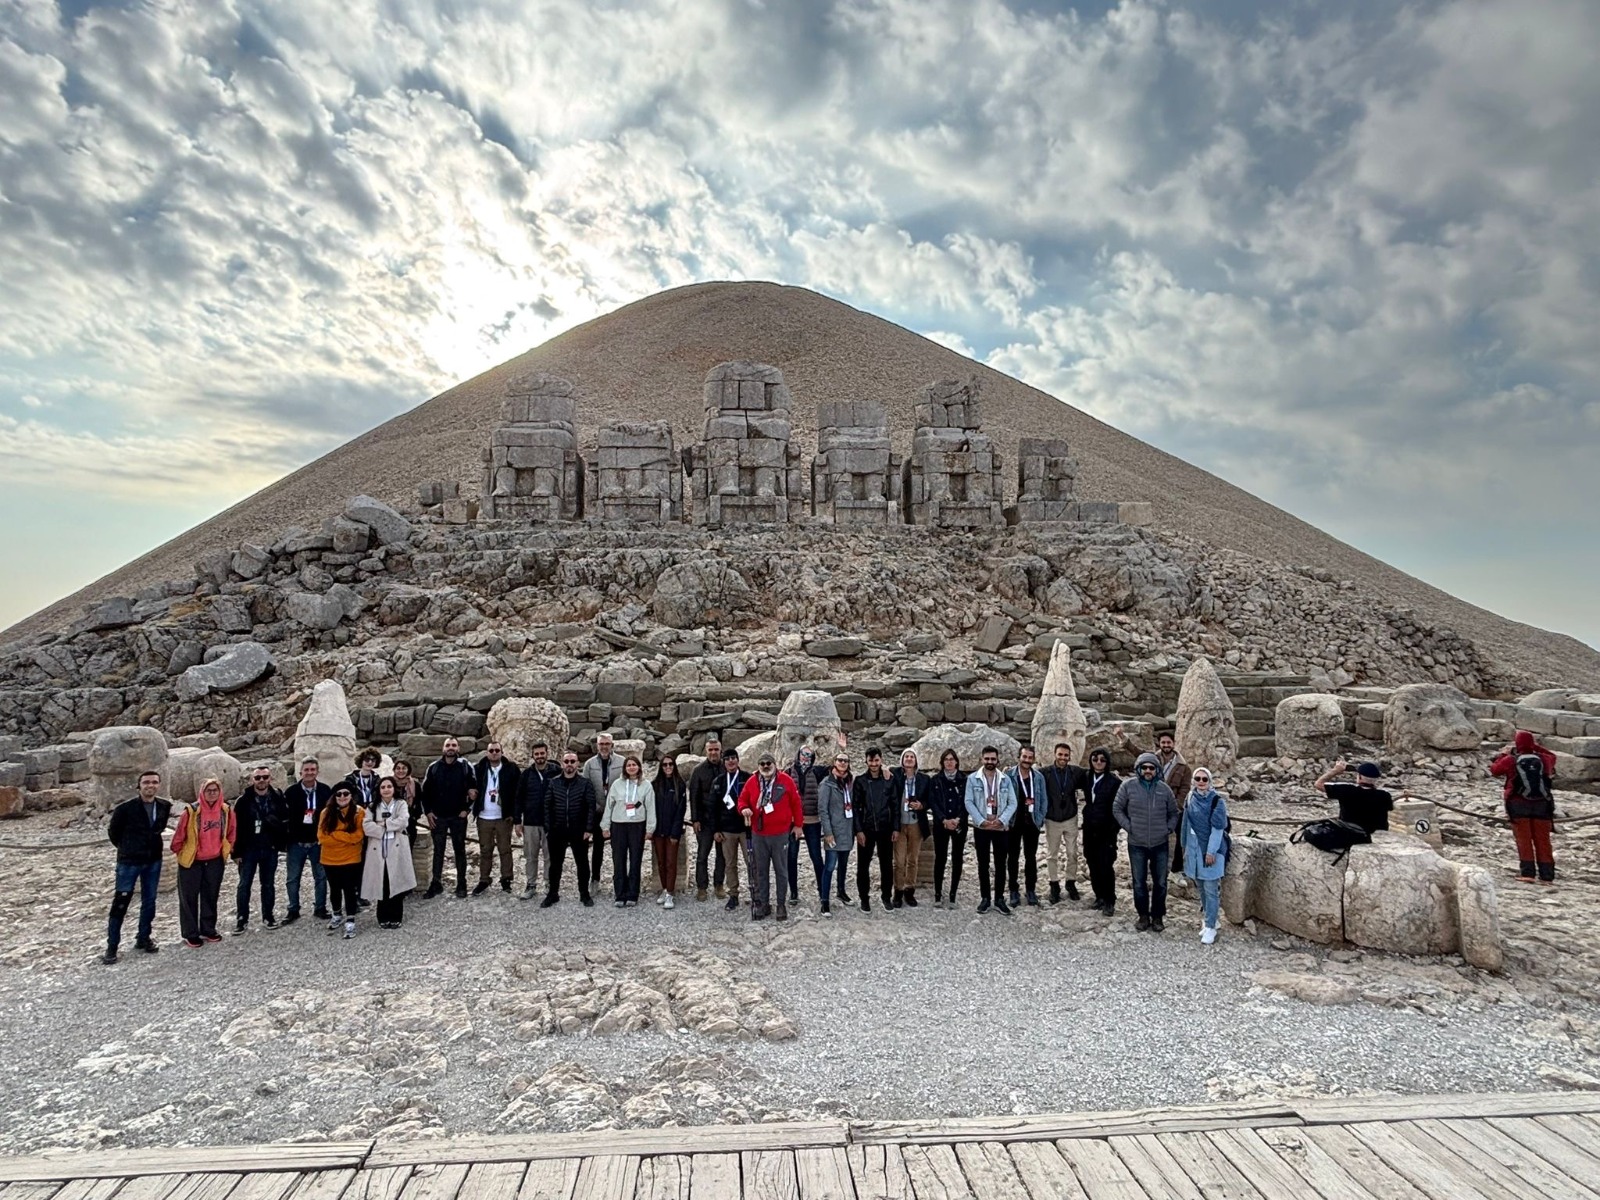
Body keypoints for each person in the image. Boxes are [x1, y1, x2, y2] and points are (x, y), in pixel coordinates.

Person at [104, 770, 171, 964]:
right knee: (121, 902)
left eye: (154, 782)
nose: (150, 785)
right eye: (146, 782)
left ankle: (143, 937)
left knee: (149, 901)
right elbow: (114, 833)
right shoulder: (125, 809)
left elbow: (158, 829)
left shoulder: (164, 806)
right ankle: (112, 945)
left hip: (153, 860)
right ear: (139, 785)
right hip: (129, 861)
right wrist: (127, 848)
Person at [1114, 752, 1180, 932]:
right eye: (1145, 767)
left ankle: (1158, 916)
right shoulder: (1127, 786)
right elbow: (1117, 808)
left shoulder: (1164, 789)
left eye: (1152, 768)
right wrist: (1129, 827)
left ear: (1157, 769)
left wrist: (1168, 828)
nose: (1148, 770)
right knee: (1138, 882)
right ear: (1139, 769)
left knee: (1161, 882)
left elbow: (1174, 813)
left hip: (1160, 844)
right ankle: (1143, 915)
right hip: (1137, 843)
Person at [170, 778, 236, 948]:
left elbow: (231, 831)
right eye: (209, 790)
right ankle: (190, 933)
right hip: (192, 861)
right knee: (189, 898)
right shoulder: (191, 811)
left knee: (210, 895)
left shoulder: (226, 810)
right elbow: (179, 836)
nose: (212, 793)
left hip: (214, 860)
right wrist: (181, 853)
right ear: (202, 792)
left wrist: (227, 849)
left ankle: (208, 929)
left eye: (215, 790)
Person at [738, 752, 803, 921]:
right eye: (762, 764)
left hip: (780, 834)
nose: (766, 766)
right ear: (758, 767)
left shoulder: (786, 781)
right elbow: (742, 800)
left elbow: (796, 803)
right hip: (759, 834)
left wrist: (798, 825)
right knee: (761, 871)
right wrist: (743, 808)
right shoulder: (752, 782)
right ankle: (764, 903)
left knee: (781, 870)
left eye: (769, 763)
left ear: (774, 765)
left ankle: (781, 904)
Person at [1490, 731, 1558, 884]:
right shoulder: (1543, 759)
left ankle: (1528, 874)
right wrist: (1535, 747)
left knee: (1524, 839)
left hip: (1518, 804)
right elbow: (1553, 756)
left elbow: (1494, 770)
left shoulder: (1511, 760)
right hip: (1542, 804)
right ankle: (1547, 876)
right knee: (1543, 840)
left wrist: (1503, 754)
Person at [231, 765, 286, 933]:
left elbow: (284, 820)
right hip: (248, 849)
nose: (261, 780)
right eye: (258, 777)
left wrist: (281, 843)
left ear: (270, 778)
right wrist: (236, 852)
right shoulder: (243, 801)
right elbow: (235, 827)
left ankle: (268, 916)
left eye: (265, 777)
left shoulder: (277, 797)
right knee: (244, 884)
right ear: (252, 780)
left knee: (268, 884)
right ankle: (242, 918)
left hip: (269, 847)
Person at [964, 746, 1017, 914]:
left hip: (1001, 828)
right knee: (983, 864)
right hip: (982, 827)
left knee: (1001, 864)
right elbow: (968, 801)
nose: (990, 762)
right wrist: (981, 821)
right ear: (982, 759)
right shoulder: (973, 779)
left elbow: (1012, 802)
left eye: (993, 759)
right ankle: (985, 898)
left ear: (998, 760)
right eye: (987, 759)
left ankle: (999, 899)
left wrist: (1002, 820)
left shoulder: (1005, 780)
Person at [542, 751, 596, 908]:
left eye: (573, 761)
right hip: (557, 830)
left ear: (578, 763)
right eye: (567, 761)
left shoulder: (585, 783)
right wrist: (548, 829)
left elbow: (590, 807)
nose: (570, 764)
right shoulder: (553, 783)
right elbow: (547, 806)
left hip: (578, 830)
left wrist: (588, 828)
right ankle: (553, 893)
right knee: (555, 864)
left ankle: (584, 894)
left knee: (582, 863)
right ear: (562, 763)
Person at [421, 737, 473, 898]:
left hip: (458, 816)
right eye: (448, 745)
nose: (451, 748)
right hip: (438, 817)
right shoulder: (434, 767)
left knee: (459, 850)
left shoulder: (465, 767)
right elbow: (425, 792)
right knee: (438, 850)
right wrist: (428, 812)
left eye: (454, 745)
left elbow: (474, 788)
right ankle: (436, 883)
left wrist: (467, 809)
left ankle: (461, 883)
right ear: (443, 748)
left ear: (458, 748)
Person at [601, 755, 655, 907]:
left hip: (637, 825)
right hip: (618, 825)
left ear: (639, 767)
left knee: (635, 860)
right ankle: (620, 894)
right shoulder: (617, 784)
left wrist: (650, 828)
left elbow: (650, 807)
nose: (631, 767)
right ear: (625, 768)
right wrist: (605, 826)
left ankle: (633, 893)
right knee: (618, 860)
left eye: (634, 765)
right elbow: (609, 806)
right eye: (628, 765)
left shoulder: (646, 785)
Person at [1182, 768, 1229, 943]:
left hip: (1210, 849)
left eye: (1204, 779)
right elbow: (1186, 824)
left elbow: (1217, 829)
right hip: (1194, 848)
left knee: (1211, 889)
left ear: (1209, 781)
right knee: (1200, 886)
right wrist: (1185, 847)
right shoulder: (1190, 797)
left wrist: (1211, 851)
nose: (1201, 781)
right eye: (1198, 778)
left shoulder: (1217, 801)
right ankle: (1211, 920)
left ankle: (1210, 926)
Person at [282, 757, 331, 924]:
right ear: (300, 772)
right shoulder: (291, 792)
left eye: (312, 770)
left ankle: (320, 907)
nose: (309, 773)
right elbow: (284, 817)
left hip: (318, 842)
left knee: (321, 876)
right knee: (293, 878)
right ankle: (293, 909)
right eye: (306, 770)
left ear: (317, 771)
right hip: (297, 842)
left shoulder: (325, 790)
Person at [363, 776, 416, 928]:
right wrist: (388, 826)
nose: (386, 789)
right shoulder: (373, 806)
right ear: (379, 790)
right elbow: (367, 827)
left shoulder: (401, 804)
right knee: (383, 882)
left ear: (394, 789)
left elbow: (403, 821)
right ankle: (382, 917)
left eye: (389, 786)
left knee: (397, 881)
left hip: (397, 847)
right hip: (378, 848)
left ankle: (396, 916)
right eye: (383, 787)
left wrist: (383, 824)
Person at [471, 741, 521, 895]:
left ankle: (506, 879)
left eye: (497, 750)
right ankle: (484, 879)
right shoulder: (478, 769)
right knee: (485, 849)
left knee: (505, 849)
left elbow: (518, 792)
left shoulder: (511, 769)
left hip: (503, 817)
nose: (494, 753)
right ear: (487, 753)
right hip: (484, 815)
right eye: (491, 750)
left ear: (502, 752)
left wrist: (515, 815)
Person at [318, 782, 366, 938]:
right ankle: (337, 913)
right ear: (334, 796)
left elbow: (358, 836)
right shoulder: (326, 813)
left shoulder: (359, 812)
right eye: (339, 794)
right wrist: (346, 837)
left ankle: (350, 919)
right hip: (330, 859)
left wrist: (335, 833)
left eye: (346, 793)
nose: (342, 797)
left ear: (351, 795)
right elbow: (322, 837)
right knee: (335, 888)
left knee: (349, 889)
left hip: (351, 858)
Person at [1042, 742, 1087, 903]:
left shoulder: (1075, 772)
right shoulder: (1045, 773)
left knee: (1072, 853)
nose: (1063, 758)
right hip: (1052, 819)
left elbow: (1094, 774)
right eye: (1060, 754)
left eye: (1066, 755)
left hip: (1070, 818)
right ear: (1055, 754)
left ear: (1070, 756)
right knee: (1051, 854)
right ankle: (1054, 884)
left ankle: (1070, 882)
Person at [855, 748, 899, 913]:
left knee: (886, 865)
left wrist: (896, 827)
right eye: (871, 761)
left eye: (876, 761)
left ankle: (886, 897)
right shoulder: (860, 781)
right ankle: (864, 899)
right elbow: (856, 808)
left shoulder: (889, 779)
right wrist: (858, 830)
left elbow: (895, 805)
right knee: (863, 865)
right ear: (866, 761)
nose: (874, 764)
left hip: (885, 828)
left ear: (881, 761)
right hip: (866, 829)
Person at [581, 734, 626, 893]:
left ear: (612, 744)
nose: (604, 747)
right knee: (598, 847)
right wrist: (594, 806)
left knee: (618, 848)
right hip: (597, 811)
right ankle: (595, 879)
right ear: (597, 746)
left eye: (607, 743)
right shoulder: (589, 764)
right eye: (601, 744)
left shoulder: (621, 762)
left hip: (616, 812)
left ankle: (619, 880)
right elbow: (585, 788)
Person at [514, 742, 558, 901]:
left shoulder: (556, 772)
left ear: (547, 753)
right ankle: (531, 884)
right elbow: (518, 798)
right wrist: (517, 821)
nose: (540, 756)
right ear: (532, 756)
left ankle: (549, 883)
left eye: (542, 753)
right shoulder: (526, 774)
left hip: (550, 822)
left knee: (549, 856)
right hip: (531, 821)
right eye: (537, 754)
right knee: (531, 855)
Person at [786, 746, 827, 907]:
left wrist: (840, 748)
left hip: (812, 820)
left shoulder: (817, 771)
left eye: (809, 755)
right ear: (798, 754)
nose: (805, 757)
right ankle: (794, 892)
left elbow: (836, 766)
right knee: (791, 857)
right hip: (792, 821)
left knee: (816, 857)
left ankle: (822, 890)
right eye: (803, 754)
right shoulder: (789, 771)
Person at [710, 747, 750, 911]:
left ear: (738, 760)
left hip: (746, 829)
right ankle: (733, 894)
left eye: (733, 758)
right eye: (727, 759)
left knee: (751, 862)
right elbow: (713, 808)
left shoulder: (748, 778)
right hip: (727, 830)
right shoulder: (719, 781)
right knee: (730, 864)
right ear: (724, 762)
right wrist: (716, 830)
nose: (731, 761)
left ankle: (756, 892)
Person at [688, 737, 728, 901]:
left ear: (720, 750)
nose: (713, 752)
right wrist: (695, 819)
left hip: (723, 819)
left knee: (722, 855)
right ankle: (702, 887)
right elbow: (694, 796)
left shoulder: (727, 768)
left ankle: (719, 884)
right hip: (704, 820)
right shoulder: (698, 770)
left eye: (716, 749)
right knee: (702, 855)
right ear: (706, 751)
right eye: (710, 750)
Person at [1082, 748, 1121, 915]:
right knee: (1092, 863)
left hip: (1106, 830)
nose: (1098, 762)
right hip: (1089, 827)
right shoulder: (1086, 777)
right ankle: (1098, 896)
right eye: (1095, 759)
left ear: (1107, 762)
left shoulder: (1114, 782)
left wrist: (1113, 828)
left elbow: (1118, 808)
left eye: (1102, 760)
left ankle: (1109, 900)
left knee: (1106, 865)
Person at [1005, 745, 1045, 907]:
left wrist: (1040, 818)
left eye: (1030, 758)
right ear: (1018, 757)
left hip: (1032, 822)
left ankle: (1031, 890)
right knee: (1013, 857)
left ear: (1033, 759)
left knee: (1031, 858)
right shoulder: (1009, 775)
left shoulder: (1038, 777)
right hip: (1014, 821)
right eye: (1024, 757)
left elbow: (1043, 799)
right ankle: (1013, 890)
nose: (1027, 760)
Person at [890, 749, 930, 908]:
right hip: (899, 824)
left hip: (916, 824)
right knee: (899, 861)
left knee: (912, 860)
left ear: (916, 760)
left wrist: (922, 805)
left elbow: (930, 800)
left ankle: (909, 890)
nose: (909, 759)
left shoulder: (924, 779)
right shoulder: (895, 775)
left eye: (912, 756)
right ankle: (898, 891)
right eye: (906, 756)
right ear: (902, 760)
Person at [928, 749, 968, 908]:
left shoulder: (964, 780)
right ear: (942, 762)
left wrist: (958, 819)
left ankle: (953, 893)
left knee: (957, 858)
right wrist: (943, 819)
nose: (949, 762)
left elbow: (968, 801)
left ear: (957, 761)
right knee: (940, 858)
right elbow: (932, 801)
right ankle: (938, 893)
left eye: (952, 759)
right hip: (941, 824)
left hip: (959, 823)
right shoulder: (935, 780)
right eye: (946, 759)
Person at [817, 754, 855, 917]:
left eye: (845, 760)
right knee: (830, 866)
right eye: (839, 760)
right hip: (833, 832)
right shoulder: (827, 784)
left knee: (844, 864)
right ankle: (824, 900)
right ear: (834, 763)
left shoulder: (851, 782)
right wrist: (828, 833)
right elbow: (823, 810)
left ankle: (841, 891)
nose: (842, 763)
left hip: (847, 830)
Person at [1314, 759, 1393, 834]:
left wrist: (1335, 771)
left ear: (1360, 777)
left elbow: (1318, 784)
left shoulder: (1347, 790)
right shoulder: (1385, 795)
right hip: (1375, 833)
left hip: (1352, 832)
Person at [651, 754, 688, 909]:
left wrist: (675, 832)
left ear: (674, 766)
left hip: (673, 830)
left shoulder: (679, 784)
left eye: (670, 764)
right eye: (665, 765)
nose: (668, 767)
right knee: (661, 862)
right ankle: (664, 888)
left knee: (671, 862)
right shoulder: (655, 784)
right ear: (661, 767)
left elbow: (681, 810)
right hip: (658, 830)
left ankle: (670, 893)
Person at [1155, 731, 1192, 875]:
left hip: (1175, 808)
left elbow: (1185, 789)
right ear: (1159, 744)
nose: (1166, 745)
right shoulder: (1153, 761)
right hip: (1155, 806)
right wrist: (1122, 737)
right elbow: (1136, 752)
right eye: (1163, 742)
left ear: (1173, 744)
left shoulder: (1184, 767)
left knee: (1178, 837)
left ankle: (1176, 868)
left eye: (1168, 742)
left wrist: (1176, 806)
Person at [394, 759, 429, 897]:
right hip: (393, 826)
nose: (401, 770)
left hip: (409, 825)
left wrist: (412, 817)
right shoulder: (389, 783)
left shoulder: (414, 785)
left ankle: (405, 885)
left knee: (406, 855)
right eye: (398, 768)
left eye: (404, 768)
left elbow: (419, 803)